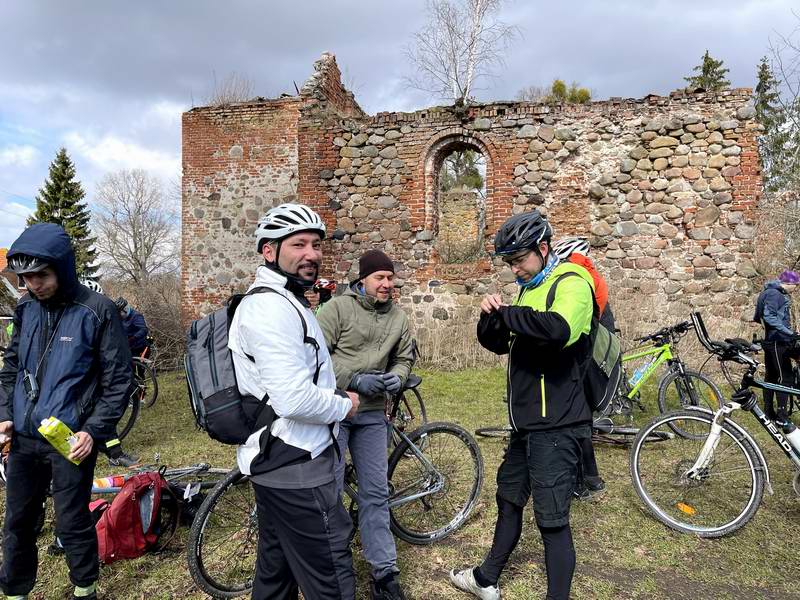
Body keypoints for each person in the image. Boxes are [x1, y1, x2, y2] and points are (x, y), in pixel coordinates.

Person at [449, 210, 595, 600]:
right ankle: (486, 579)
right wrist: (490, 322)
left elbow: (558, 329)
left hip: (557, 425)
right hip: (526, 423)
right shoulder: (529, 286)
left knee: (551, 522)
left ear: (543, 249)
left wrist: (509, 314)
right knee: (509, 497)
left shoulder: (573, 282)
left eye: (519, 260)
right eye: (509, 262)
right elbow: (508, 341)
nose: (514, 270)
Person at [230, 203, 358, 600]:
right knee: (331, 579)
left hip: (278, 463)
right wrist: (344, 405)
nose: (312, 254)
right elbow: (293, 398)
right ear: (269, 251)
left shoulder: (286, 300)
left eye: (316, 245)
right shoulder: (270, 307)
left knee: (276, 575)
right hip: (296, 465)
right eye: (299, 244)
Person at [0, 223, 132, 600]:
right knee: (19, 522)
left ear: (62, 268)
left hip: (71, 439)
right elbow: (11, 369)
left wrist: (94, 430)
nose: (33, 284)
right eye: (25, 278)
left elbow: (118, 381)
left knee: (72, 521)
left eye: (41, 275)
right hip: (24, 438)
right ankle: (14, 592)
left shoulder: (98, 312)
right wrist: (5, 414)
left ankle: (85, 589)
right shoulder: (25, 309)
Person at [317, 250, 414, 600]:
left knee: (375, 492)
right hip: (337, 408)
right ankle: (331, 564)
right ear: (363, 280)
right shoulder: (338, 309)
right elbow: (316, 357)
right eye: (380, 278)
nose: (387, 284)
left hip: (373, 414)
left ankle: (384, 573)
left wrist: (395, 378)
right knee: (327, 489)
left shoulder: (399, 319)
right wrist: (354, 379)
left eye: (390, 277)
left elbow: (404, 358)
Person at [551, 236, 614, 500]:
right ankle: (591, 478)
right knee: (582, 419)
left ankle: (579, 482)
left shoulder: (578, 278)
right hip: (595, 356)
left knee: (574, 420)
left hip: (582, 360)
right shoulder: (593, 276)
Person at [754, 269, 800, 426]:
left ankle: (768, 412)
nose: (796, 288)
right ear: (789, 283)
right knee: (785, 377)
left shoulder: (768, 292)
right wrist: (789, 333)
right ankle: (782, 416)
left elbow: (759, 316)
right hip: (777, 341)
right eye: (796, 285)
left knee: (771, 376)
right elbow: (769, 316)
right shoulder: (775, 294)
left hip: (770, 340)